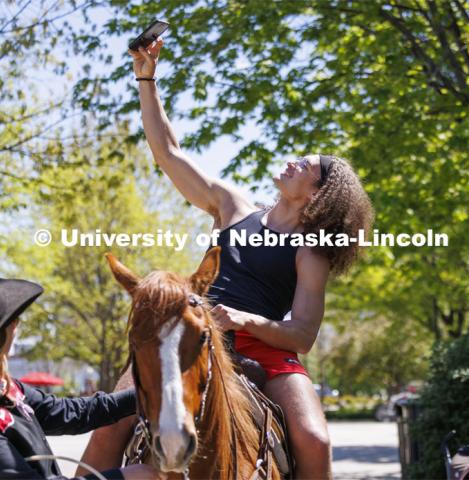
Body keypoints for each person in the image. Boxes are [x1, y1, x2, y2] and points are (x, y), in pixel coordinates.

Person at [78, 39, 374, 480]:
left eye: (306, 166)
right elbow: (169, 154)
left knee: (315, 439)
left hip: (261, 348)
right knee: (106, 429)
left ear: (319, 193)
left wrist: (243, 320)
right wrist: (146, 78)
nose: (293, 162)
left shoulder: (310, 251)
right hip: (186, 337)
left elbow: (303, 335)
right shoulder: (233, 207)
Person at [0, 278, 161, 480]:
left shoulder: (8, 388)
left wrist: (149, 394)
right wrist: (122, 477)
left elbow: (71, 412)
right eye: (10, 319)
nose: (17, 324)